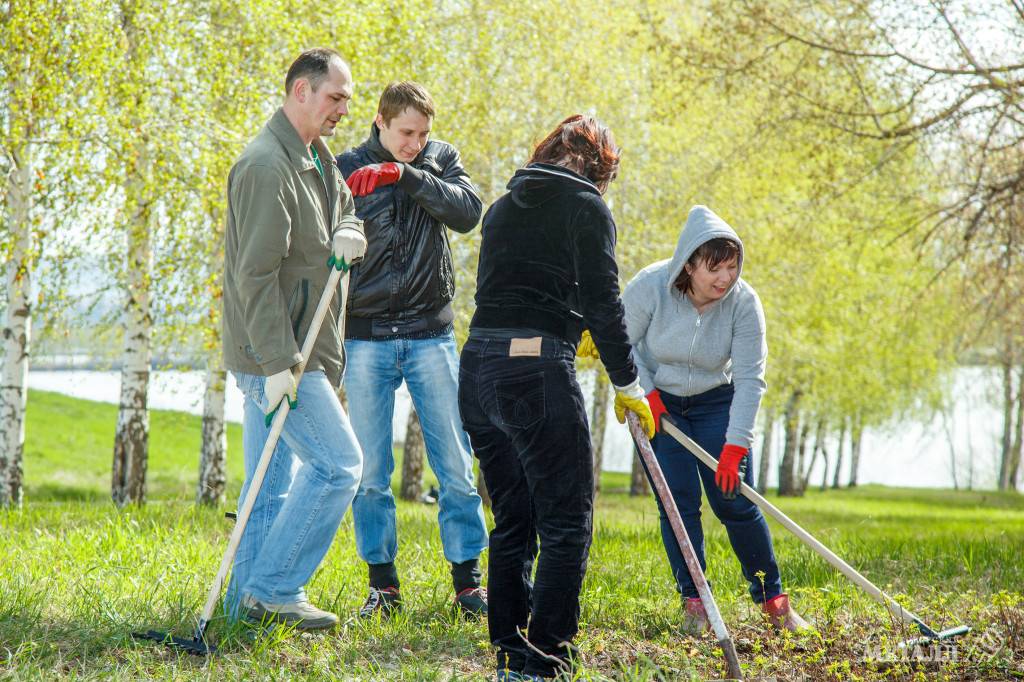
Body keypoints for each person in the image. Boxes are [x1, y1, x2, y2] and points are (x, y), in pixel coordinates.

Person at [458, 114, 656, 681]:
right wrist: (628, 384)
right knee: (567, 523)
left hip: (479, 372)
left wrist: (570, 326)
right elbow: (605, 302)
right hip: (534, 374)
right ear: (598, 170)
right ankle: (547, 661)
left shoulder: (500, 208)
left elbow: (513, 292)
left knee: (513, 519)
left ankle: (510, 655)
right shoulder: (587, 208)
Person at [222, 48, 366, 630]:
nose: (341, 110)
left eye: (347, 101)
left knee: (268, 486)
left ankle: (240, 611)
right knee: (339, 467)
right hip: (277, 355)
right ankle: (275, 589)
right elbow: (252, 277)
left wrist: (350, 228)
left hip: (301, 351)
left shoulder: (317, 160)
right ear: (300, 91)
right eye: (335, 97)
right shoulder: (266, 166)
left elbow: (343, 211)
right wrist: (280, 363)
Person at [336, 82, 489, 619]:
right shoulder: (346, 166)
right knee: (371, 472)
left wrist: (407, 174)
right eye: (406, 134)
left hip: (431, 333)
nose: (415, 142)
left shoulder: (439, 158)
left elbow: (469, 212)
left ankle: (469, 583)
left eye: (423, 134)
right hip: (366, 336)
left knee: (454, 463)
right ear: (380, 120)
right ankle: (383, 585)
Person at [620, 205, 808, 633]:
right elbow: (621, 344)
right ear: (688, 263)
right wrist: (646, 392)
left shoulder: (744, 304)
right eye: (714, 268)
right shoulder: (651, 286)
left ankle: (774, 601)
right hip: (659, 404)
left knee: (735, 501)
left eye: (732, 266)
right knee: (677, 504)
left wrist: (735, 445)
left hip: (716, 403)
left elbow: (749, 379)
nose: (725, 278)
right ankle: (697, 604)